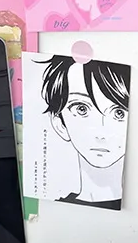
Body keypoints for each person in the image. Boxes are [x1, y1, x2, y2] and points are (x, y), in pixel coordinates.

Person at [41, 56, 130, 211]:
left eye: (119, 113)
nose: (101, 133)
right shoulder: (54, 207)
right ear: (60, 123)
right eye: (81, 109)